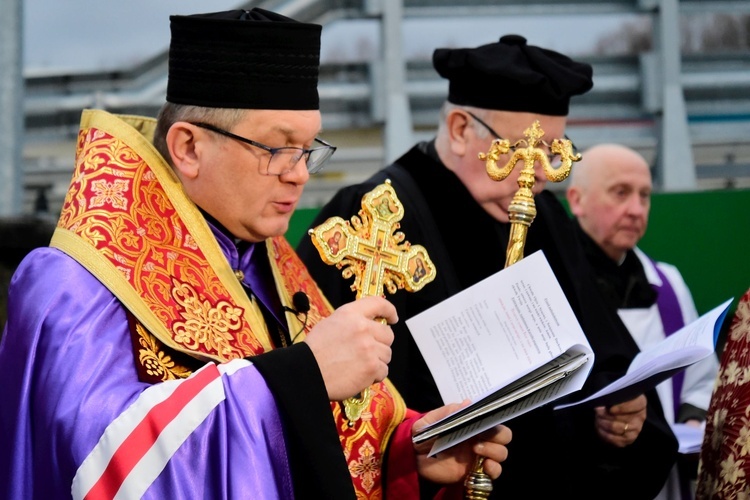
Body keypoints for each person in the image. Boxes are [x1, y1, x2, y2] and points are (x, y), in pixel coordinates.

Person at [0, 9, 512, 500]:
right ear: (189, 148)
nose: (300, 173)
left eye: (309, 148)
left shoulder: (266, 260)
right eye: (277, 149)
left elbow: (330, 447)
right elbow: (95, 468)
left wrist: (408, 453)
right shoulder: (75, 282)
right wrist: (302, 377)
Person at [298, 35, 678, 499]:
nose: (538, 173)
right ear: (460, 128)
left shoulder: (547, 217)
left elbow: (600, 352)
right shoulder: (371, 214)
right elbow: (335, 394)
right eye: (521, 151)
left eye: (553, 154)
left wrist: (616, 415)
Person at [566, 143, 719, 499]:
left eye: (645, 195)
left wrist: (692, 421)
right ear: (576, 200)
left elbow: (701, 378)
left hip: (663, 476)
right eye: (620, 193)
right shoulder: (554, 285)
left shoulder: (667, 284)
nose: (636, 209)